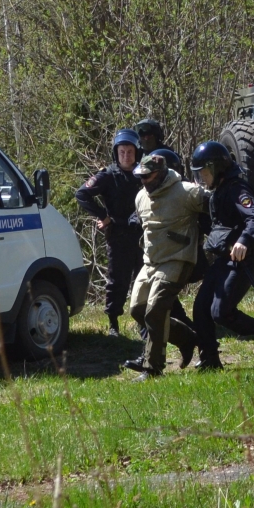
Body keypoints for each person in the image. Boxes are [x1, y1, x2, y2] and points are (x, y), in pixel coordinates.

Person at [189, 141, 254, 369]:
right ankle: (210, 361)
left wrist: (243, 241)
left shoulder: (237, 189)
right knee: (201, 308)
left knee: (220, 312)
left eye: (204, 172)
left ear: (217, 168)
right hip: (222, 260)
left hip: (241, 262)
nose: (202, 178)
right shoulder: (219, 192)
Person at [123, 150, 204, 377]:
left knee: (156, 310)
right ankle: (188, 339)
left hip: (177, 259)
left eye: (147, 176)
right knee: (138, 309)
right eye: (140, 176)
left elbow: (215, 211)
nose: (143, 181)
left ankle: (152, 368)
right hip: (151, 262)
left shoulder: (187, 192)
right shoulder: (140, 197)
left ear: (159, 174)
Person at [74, 129, 142, 335]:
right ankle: (113, 323)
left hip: (142, 235)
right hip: (118, 235)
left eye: (130, 152)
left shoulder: (144, 174)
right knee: (117, 281)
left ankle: (144, 321)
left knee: (143, 279)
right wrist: (103, 216)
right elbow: (82, 194)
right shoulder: (108, 175)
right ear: (116, 152)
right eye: (122, 152)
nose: (126, 156)